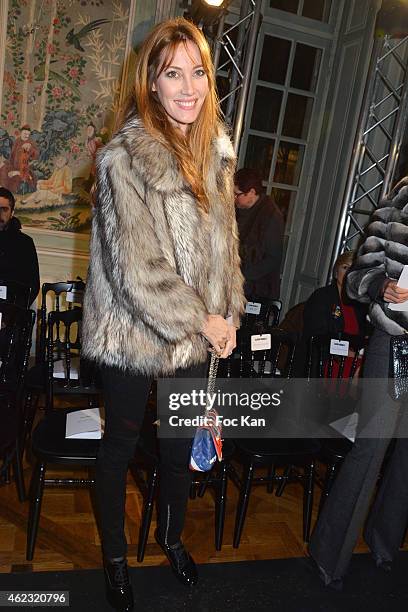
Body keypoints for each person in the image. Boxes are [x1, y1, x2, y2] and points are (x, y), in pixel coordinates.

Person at [82, 18, 245, 612]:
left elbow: (225, 250)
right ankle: (116, 562)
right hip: (129, 328)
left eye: (197, 72)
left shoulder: (216, 156)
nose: (188, 87)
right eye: (172, 73)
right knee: (119, 449)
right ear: (150, 82)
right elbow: (139, 270)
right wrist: (205, 319)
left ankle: (171, 539)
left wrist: (229, 312)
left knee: (177, 451)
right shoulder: (123, 157)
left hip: (193, 333)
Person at [308, 177, 408, 589]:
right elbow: (354, 279)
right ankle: (329, 554)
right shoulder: (396, 204)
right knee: (371, 446)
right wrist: (380, 285)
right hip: (394, 343)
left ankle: (385, 543)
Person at [234, 167, 284, 300]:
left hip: (257, 291)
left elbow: (273, 259)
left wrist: (242, 275)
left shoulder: (271, 216)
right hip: (241, 285)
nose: (234, 198)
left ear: (251, 192)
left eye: (237, 194)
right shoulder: (238, 211)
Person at [0, 187, 40, 306]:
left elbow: (33, 285)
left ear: (12, 213)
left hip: (13, 311)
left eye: (4, 209)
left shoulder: (25, 243)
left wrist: (14, 315)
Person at [8, 125, 39, 195]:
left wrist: (30, 148)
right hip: (15, 166)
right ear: (21, 133)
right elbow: (12, 155)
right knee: (5, 172)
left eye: (28, 134)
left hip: (25, 167)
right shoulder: (17, 141)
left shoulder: (31, 142)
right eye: (25, 134)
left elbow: (36, 155)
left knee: (19, 180)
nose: (27, 136)